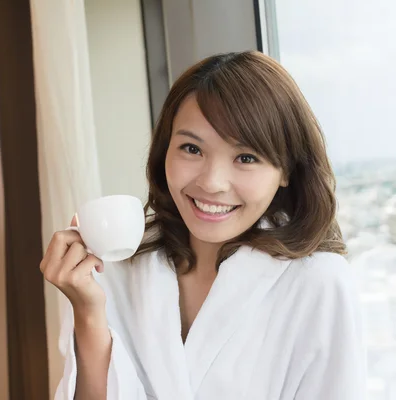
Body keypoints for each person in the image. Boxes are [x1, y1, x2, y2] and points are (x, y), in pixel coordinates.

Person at [40, 51, 367, 399]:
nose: (212, 182)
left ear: (286, 170)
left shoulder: (319, 283)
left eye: (246, 157)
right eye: (191, 149)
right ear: (164, 150)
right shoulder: (115, 269)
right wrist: (88, 312)